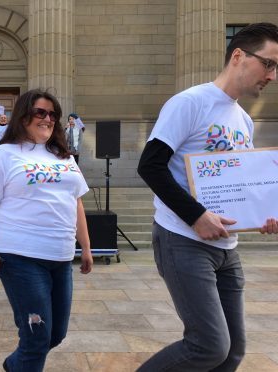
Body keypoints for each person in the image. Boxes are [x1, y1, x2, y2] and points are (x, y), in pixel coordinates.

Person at [136, 23, 278, 371]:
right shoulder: (190, 103)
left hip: (227, 248)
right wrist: (196, 215)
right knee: (208, 346)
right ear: (238, 56)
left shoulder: (243, 120)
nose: (272, 76)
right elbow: (150, 165)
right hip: (183, 239)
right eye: (269, 64)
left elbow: (241, 182)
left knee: (233, 352)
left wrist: (262, 214)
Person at [0, 89, 93, 372]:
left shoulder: (64, 157)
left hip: (61, 257)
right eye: (41, 112)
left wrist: (86, 247)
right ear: (24, 116)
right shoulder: (4, 153)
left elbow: (76, 203)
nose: (48, 119)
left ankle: (14, 365)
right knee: (37, 339)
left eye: (53, 114)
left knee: (55, 335)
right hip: (19, 256)